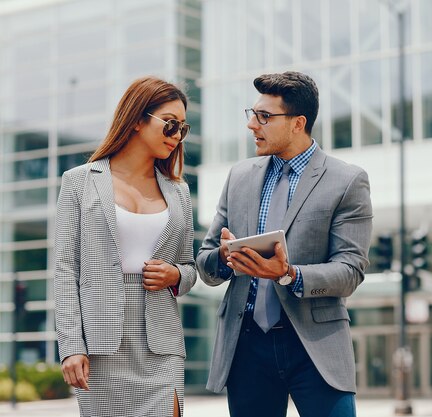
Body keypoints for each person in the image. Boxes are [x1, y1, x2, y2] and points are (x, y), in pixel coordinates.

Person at [196, 71, 373, 417]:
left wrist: (290, 274)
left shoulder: (347, 180)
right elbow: (204, 261)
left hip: (314, 346)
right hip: (246, 346)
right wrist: (223, 255)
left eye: (264, 117)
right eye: (253, 115)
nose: (252, 126)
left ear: (298, 123)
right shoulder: (240, 177)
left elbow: (350, 270)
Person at [54, 76, 196, 417]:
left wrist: (176, 274)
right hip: (101, 347)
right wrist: (71, 346)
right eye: (170, 124)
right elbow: (65, 269)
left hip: (161, 344)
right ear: (136, 120)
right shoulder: (79, 181)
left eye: (183, 128)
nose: (177, 136)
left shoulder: (179, 192)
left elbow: (189, 268)